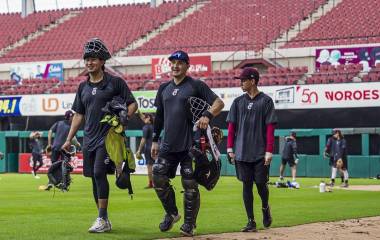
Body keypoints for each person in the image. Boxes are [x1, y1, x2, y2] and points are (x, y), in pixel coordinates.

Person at [62, 38, 137, 233]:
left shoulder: (115, 83)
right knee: (94, 178)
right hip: (89, 139)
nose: (89, 62)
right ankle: (102, 219)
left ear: (103, 61)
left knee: (98, 173)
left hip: (109, 138)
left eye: (94, 59)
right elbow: (79, 114)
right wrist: (69, 139)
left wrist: (123, 120)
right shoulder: (82, 87)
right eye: (87, 59)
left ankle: (102, 218)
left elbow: (132, 104)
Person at [151, 50, 224, 237]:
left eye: (180, 63)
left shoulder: (196, 85)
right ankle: (172, 213)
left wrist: (207, 115)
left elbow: (219, 103)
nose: (175, 66)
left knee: (190, 185)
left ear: (187, 66)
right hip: (168, 144)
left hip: (190, 146)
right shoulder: (163, 88)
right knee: (158, 177)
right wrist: (154, 140)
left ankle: (189, 224)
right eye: (172, 63)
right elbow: (159, 117)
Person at [226, 67, 278, 232]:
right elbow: (231, 127)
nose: (241, 83)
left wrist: (269, 151)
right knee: (246, 186)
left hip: (260, 153)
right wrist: (229, 148)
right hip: (241, 152)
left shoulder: (266, 101)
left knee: (261, 185)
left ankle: (265, 207)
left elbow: (270, 128)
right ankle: (251, 221)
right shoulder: (237, 102)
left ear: (253, 80)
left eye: (243, 80)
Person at [44, 110, 80, 190]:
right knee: (65, 167)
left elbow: (50, 131)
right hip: (64, 149)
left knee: (54, 166)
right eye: (72, 116)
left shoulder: (58, 123)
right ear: (70, 117)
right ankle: (64, 185)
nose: (74, 117)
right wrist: (77, 144)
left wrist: (49, 144)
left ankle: (51, 182)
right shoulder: (72, 126)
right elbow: (73, 138)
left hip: (55, 147)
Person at [136, 111, 155, 189]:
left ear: (149, 118)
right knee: (157, 166)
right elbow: (142, 117)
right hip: (156, 147)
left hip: (149, 148)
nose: (143, 119)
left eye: (145, 117)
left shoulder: (146, 127)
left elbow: (143, 140)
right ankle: (159, 183)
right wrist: (138, 112)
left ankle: (151, 183)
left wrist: (139, 150)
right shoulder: (154, 126)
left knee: (149, 166)